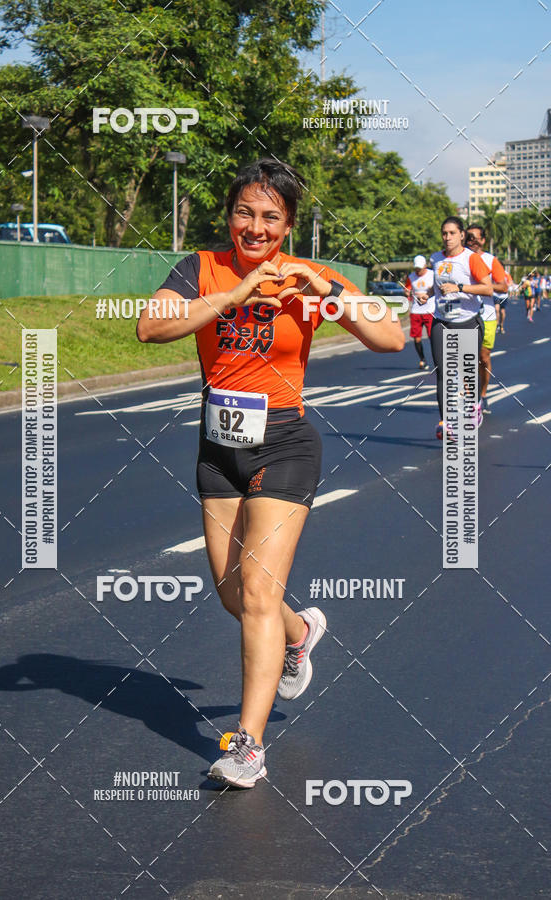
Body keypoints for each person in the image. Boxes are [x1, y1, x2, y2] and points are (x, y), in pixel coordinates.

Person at [136, 159, 404, 788]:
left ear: (287, 224)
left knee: (257, 593)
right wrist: (233, 295)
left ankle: (247, 745)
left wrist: (324, 291)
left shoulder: (310, 277)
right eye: (244, 213)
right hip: (218, 447)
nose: (254, 228)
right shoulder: (201, 267)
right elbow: (151, 327)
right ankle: (301, 630)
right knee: (235, 595)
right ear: (230, 215)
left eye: (270, 217)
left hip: (284, 443)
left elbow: (391, 337)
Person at [424, 216, 493, 440]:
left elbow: (488, 288)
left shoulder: (470, 259)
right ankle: (446, 422)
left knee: (466, 372)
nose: (447, 237)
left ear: (461, 235)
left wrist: (459, 286)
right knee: (443, 372)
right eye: (444, 233)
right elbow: (436, 288)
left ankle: (474, 404)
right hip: (442, 321)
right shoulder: (435, 258)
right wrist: (427, 294)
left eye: (452, 233)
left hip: (468, 322)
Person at [465, 225, 509, 414]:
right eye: (469, 238)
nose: (472, 242)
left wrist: (484, 286)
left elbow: (503, 287)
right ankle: (470, 398)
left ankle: (483, 395)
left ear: (483, 240)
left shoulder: (491, 261)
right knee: (465, 360)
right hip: (463, 315)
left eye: (476, 238)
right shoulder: (459, 259)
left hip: (486, 316)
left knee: (483, 358)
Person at [405, 255, 434, 369]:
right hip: (416, 311)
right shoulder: (411, 277)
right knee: (417, 337)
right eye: (416, 268)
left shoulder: (431, 275)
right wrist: (408, 293)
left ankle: (437, 358)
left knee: (433, 336)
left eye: (420, 268)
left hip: (430, 310)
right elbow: (407, 289)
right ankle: (422, 359)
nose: (418, 271)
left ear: (425, 266)